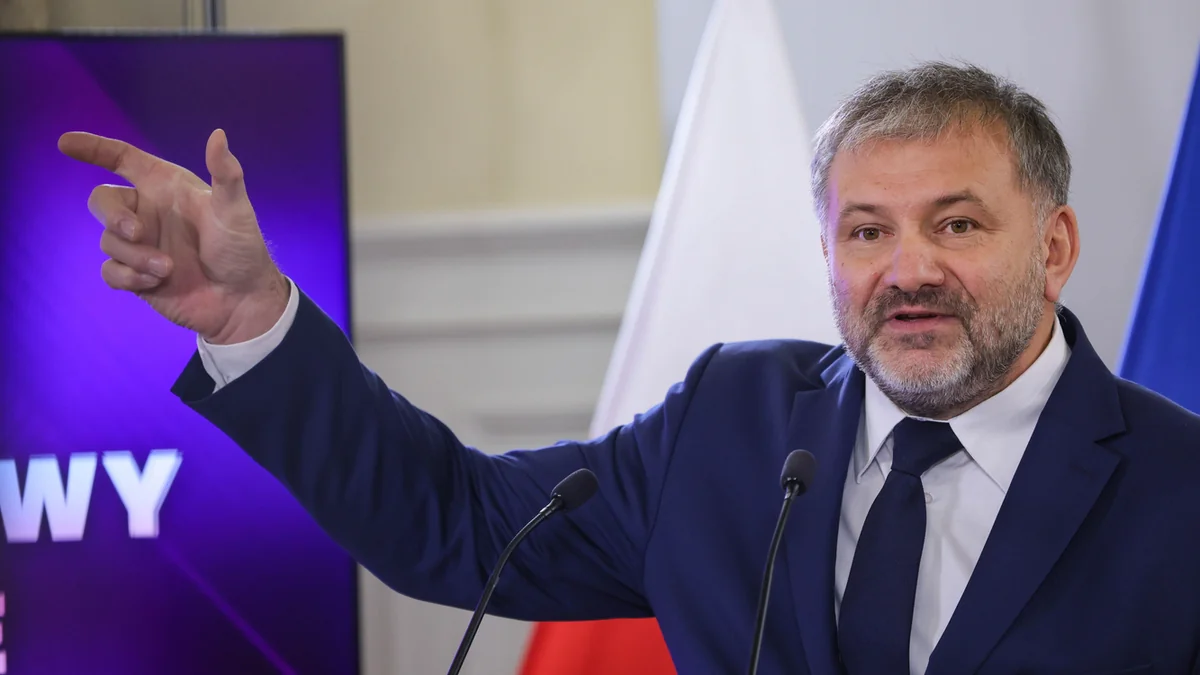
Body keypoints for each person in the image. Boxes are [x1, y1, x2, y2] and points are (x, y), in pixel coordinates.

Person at [60, 61, 1200, 675]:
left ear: (1054, 247)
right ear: (828, 255)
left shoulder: (1179, 489)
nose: (908, 271)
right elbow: (453, 520)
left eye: (956, 224)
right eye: (866, 231)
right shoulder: (735, 421)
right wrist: (253, 317)